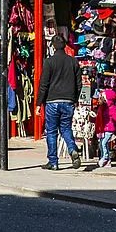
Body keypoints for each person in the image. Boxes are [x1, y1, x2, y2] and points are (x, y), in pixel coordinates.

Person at [37, 35, 81, 170]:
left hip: (52, 101)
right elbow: (79, 84)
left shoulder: (49, 62)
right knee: (66, 128)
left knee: (51, 131)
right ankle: (72, 149)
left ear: (53, 46)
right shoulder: (73, 62)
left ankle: (53, 162)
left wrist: (39, 103)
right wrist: (75, 99)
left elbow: (44, 84)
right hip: (68, 101)